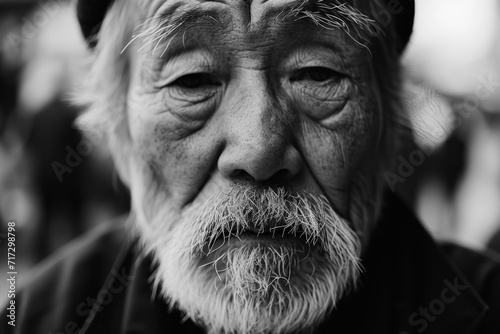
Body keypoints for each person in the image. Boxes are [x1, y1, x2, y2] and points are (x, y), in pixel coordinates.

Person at [3, 0, 500, 333]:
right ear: (117, 127)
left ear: (390, 118)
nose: (258, 151)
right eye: (192, 81)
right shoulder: (31, 319)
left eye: (316, 73)